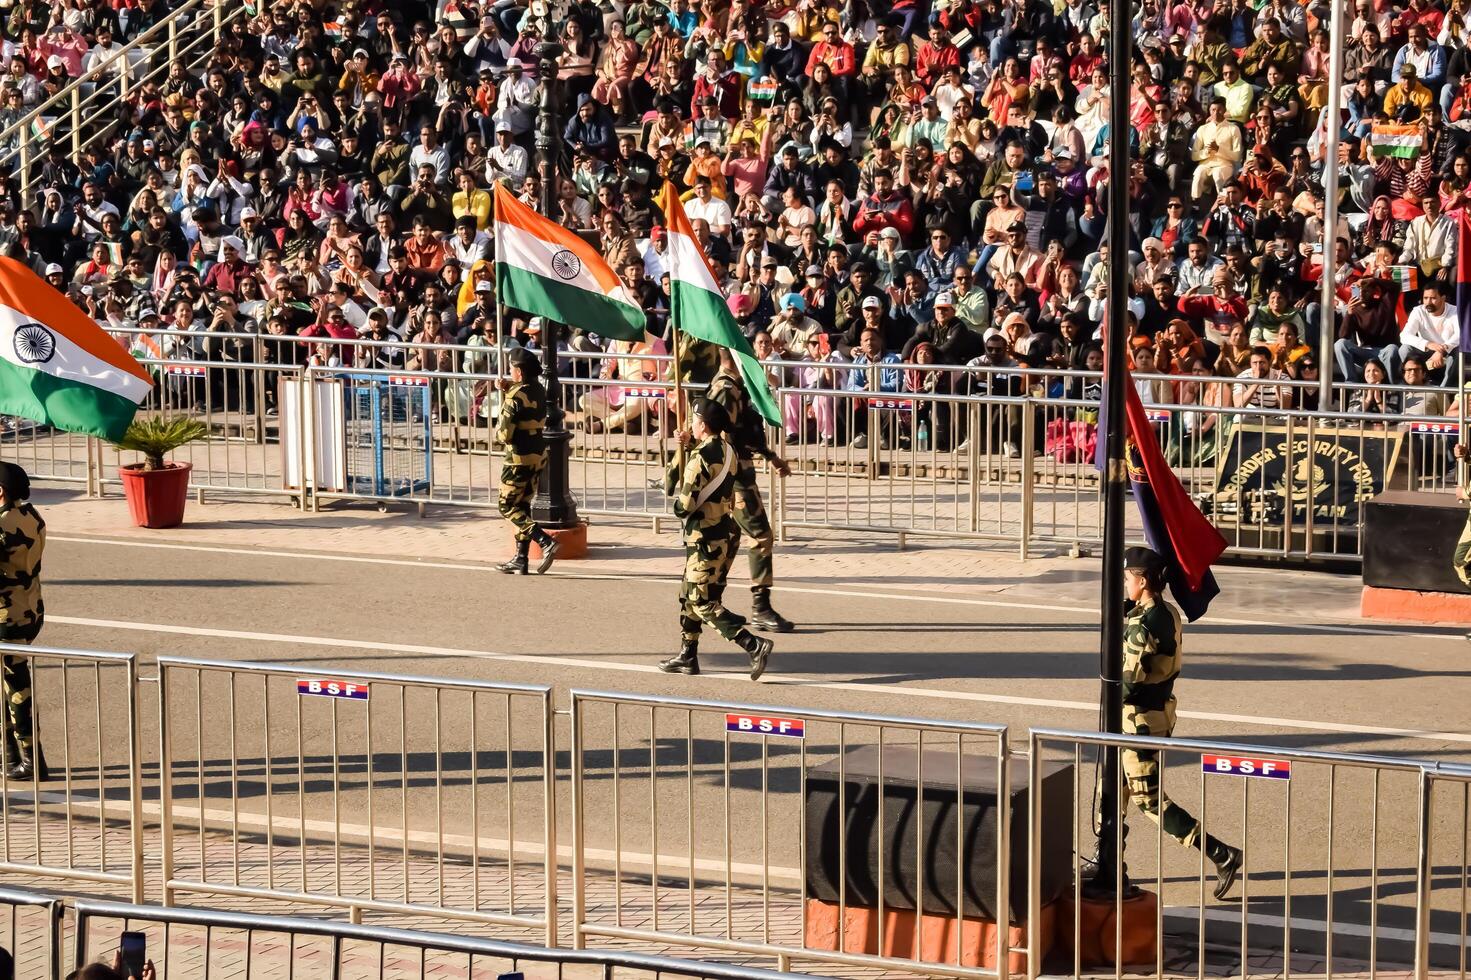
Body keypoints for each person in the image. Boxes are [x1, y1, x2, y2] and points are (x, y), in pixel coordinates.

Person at [1099, 546, 1243, 899]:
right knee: (1112, 792)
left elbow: (1128, 682)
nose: (1124, 585)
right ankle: (1107, 863)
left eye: (1128, 579)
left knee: (1147, 800)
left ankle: (1221, 854)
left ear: (1143, 580)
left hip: (1139, 721)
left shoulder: (1142, 624)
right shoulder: (1166, 612)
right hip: (1153, 713)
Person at [658, 397, 775, 679]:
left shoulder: (699, 460)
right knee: (688, 596)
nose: (691, 426)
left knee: (700, 601)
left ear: (703, 424)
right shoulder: (728, 450)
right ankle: (688, 655)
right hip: (722, 534)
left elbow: (682, 504)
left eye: (694, 422)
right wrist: (687, 444)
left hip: (703, 539)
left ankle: (752, 644)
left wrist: (677, 502)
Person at [706, 348, 795, 633]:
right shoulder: (726, 388)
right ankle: (761, 607)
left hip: (735, 471)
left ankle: (713, 603)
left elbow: (744, 429)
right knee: (760, 535)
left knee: (730, 539)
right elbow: (720, 437)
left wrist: (771, 457)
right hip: (733, 476)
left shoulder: (733, 385)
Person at [0, 462, 46, 781]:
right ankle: (15, 753)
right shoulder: (32, 517)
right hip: (29, 607)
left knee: (16, 686)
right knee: (10, 681)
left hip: (6, 616)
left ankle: (30, 759)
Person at [495, 349, 559, 575]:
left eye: (512, 368)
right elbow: (526, 403)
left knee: (506, 506)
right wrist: (507, 390)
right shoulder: (539, 390)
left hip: (518, 459)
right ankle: (520, 559)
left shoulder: (515, 397)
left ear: (519, 372)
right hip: (538, 455)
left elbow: (504, 435)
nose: (510, 372)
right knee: (523, 505)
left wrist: (506, 398)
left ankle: (544, 540)